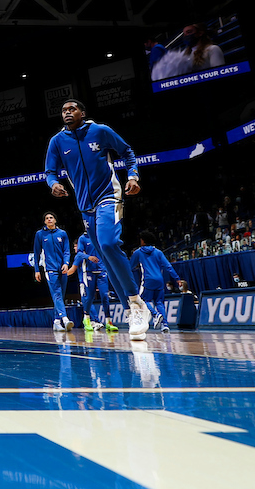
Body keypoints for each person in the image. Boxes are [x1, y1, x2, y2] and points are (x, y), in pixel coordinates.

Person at [45, 99, 151, 340]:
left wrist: (133, 176)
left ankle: (136, 303)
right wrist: (53, 184)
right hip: (85, 207)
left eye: (72, 109)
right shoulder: (57, 142)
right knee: (106, 257)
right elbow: (50, 172)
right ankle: (130, 310)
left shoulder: (100, 131)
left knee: (108, 244)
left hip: (109, 197)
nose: (67, 113)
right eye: (63, 110)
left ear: (83, 112)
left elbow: (128, 152)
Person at [66, 228, 117, 333]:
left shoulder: (100, 236)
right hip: (87, 274)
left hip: (101, 271)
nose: (74, 248)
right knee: (88, 299)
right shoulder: (82, 240)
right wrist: (89, 257)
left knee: (104, 296)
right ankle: (89, 320)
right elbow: (73, 267)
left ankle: (108, 322)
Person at [129, 231, 181, 333]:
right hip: (160, 280)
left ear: (143, 241)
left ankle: (155, 315)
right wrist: (177, 278)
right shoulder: (158, 252)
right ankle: (165, 325)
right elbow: (168, 266)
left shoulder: (138, 252)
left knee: (143, 300)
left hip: (148, 280)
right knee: (159, 303)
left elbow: (130, 267)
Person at [32, 212, 72, 331]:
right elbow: (36, 253)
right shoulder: (40, 234)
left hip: (62, 268)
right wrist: (36, 270)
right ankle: (64, 319)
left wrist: (66, 263)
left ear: (55, 220)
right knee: (57, 293)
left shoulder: (62, 234)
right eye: (47, 218)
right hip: (49, 269)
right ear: (44, 222)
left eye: (51, 218)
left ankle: (56, 321)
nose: (49, 220)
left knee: (60, 295)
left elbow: (67, 251)